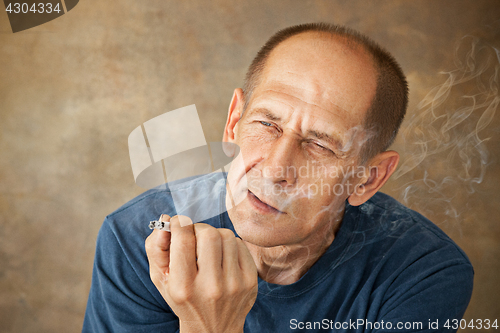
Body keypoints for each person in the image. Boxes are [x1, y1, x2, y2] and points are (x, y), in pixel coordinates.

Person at [83, 23, 473, 332]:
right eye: (267, 123)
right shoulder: (140, 241)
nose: (274, 170)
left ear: (367, 179)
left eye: (320, 145)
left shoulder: (420, 274)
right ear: (234, 122)